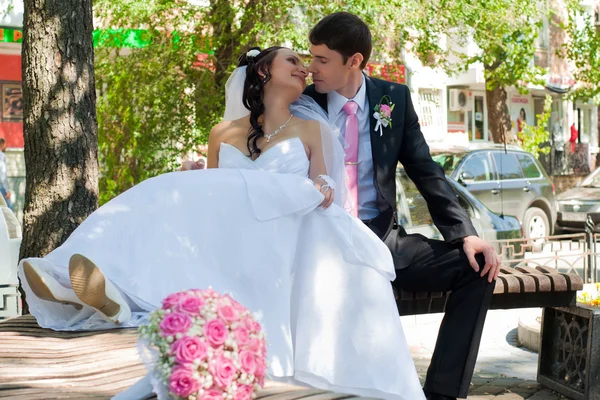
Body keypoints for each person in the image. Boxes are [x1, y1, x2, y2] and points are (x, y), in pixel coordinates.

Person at [18, 47, 425, 400]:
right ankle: (74, 276)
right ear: (264, 72)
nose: (304, 68)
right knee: (159, 191)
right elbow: (212, 195)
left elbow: (324, 182)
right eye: (293, 61)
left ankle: (120, 300)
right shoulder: (222, 132)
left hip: (280, 232)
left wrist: (321, 184)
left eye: (306, 62)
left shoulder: (312, 129)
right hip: (229, 236)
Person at [303, 12, 501, 400]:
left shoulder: (394, 99)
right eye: (310, 57)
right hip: (322, 243)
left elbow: (426, 171)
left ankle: (441, 394)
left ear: (354, 61)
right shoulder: (303, 104)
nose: (312, 69)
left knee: (478, 269)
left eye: (322, 59)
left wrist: (466, 235)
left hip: (382, 240)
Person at [0, 138, 12, 210]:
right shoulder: (1, 156)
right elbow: (2, 173)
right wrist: (7, 190)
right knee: (8, 209)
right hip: (1, 187)